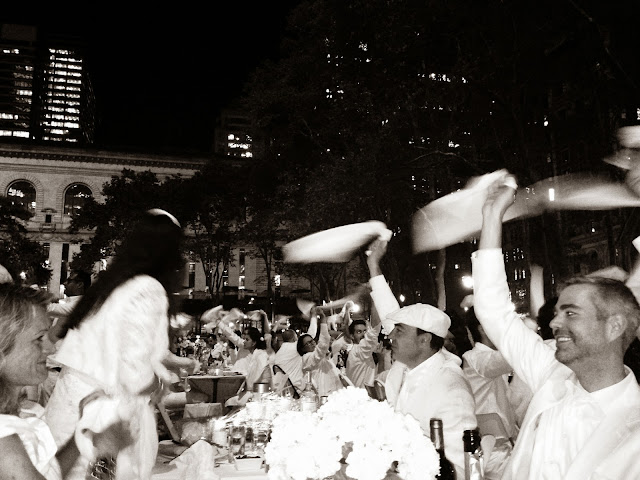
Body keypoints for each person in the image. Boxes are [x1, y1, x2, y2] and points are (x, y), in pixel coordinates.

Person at [473, 174, 640, 479]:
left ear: (614, 326)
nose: (553, 322)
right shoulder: (551, 376)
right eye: (558, 311)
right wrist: (492, 216)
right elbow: (494, 311)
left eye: (571, 313)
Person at [43, 209, 184, 480]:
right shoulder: (148, 289)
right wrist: (159, 383)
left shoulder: (112, 285)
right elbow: (134, 372)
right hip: (99, 416)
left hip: (72, 403)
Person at [366, 238, 477, 479]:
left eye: (399, 331)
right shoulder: (405, 366)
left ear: (424, 340)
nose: (390, 336)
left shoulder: (451, 389)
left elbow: (460, 465)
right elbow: (389, 315)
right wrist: (373, 265)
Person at [0, 283, 128, 480]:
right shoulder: (4, 443)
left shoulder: (15, 411)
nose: (50, 349)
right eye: (38, 338)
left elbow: (47, 474)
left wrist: (83, 432)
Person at [297, 310, 343, 397]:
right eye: (308, 343)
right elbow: (322, 345)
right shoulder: (307, 359)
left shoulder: (321, 356)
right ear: (302, 349)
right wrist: (322, 319)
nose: (312, 343)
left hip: (334, 395)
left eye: (312, 341)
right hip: (322, 397)